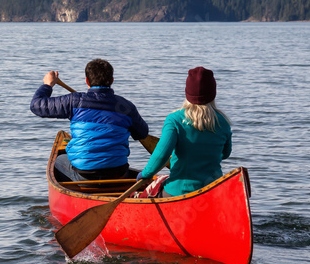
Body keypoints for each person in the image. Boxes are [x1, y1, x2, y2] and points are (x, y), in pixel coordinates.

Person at [31, 59, 149, 182]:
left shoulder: (74, 101)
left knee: (58, 160)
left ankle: (75, 193)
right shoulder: (126, 107)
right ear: (112, 80)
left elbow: (36, 105)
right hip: (119, 172)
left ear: (87, 80)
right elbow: (143, 133)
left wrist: (47, 85)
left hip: (84, 175)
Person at [138, 66, 233, 197]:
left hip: (179, 192)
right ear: (213, 93)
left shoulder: (175, 120)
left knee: (148, 192)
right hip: (212, 191)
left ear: (187, 92)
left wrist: (145, 174)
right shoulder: (223, 122)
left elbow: (161, 155)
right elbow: (225, 153)